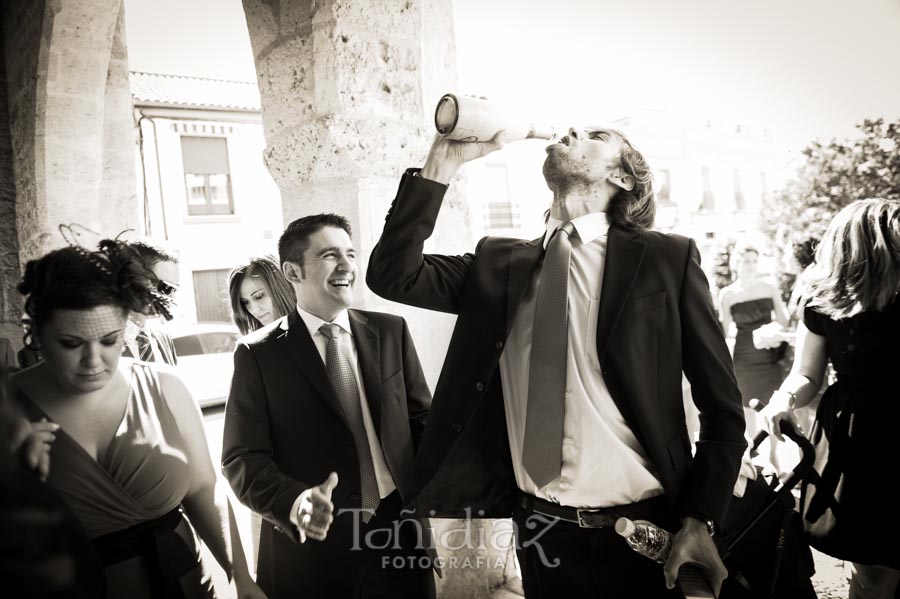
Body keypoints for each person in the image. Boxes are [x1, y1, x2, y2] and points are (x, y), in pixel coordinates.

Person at [366, 129, 747, 597]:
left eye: (596, 135)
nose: (572, 133)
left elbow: (722, 407)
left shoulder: (667, 258)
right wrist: (440, 167)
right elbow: (392, 275)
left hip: (647, 535)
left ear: (622, 176)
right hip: (541, 533)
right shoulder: (496, 262)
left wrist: (700, 518)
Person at [9, 240, 265, 599]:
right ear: (36, 331)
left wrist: (241, 577)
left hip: (185, 586)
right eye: (71, 343)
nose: (93, 360)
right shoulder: (8, 406)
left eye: (110, 340)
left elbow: (204, 491)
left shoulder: (166, 386)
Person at [222, 214, 435, 598]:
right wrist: (293, 500)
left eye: (350, 254)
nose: (347, 266)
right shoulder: (258, 354)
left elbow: (421, 423)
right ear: (293, 270)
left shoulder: (391, 331)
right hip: (312, 554)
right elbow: (241, 460)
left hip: (400, 538)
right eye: (329, 255)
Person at [762, 198, 900, 599]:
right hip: (864, 442)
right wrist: (782, 400)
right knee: (876, 572)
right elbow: (806, 374)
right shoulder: (825, 299)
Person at [225, 255, 297, 569]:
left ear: (282, 286)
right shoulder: (253, 352)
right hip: (283, 497)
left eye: (259, 297)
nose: (255, 310)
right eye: (246, 303)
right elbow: (241, 453)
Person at [717, 243, 790, 468]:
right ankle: (754, 451)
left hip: (769, 353)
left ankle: (774, 454)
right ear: (736, 263)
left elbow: (784, 320)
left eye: (753, 261)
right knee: (747, 403)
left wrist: (772, 331)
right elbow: (723, 331)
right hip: (744, 355)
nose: (750, 265)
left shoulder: (769, 288)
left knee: (771, 401)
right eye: (746, 261)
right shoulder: (727, 294)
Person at [123, 239, 180, 365]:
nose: (172, 297)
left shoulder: (163, 336)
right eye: (166, 288)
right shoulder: (105, 341)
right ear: (138, 280)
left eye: (175, 289)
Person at [227, 255, 297, 335]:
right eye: (245, 302)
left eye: (259, 296)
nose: (253, 310)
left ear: (280, 288)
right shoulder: (254, 345)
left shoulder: (311, 326)